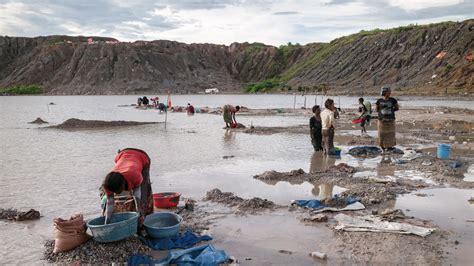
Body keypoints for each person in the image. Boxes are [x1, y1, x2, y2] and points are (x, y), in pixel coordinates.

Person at [101, 148, 153, 228]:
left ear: (123, 184)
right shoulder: (108, 183)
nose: (115, 194)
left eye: (118, 191)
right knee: (114, 199)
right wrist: (106, 223)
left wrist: (139, 212)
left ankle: (145, 217)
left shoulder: (135, 176)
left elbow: (137, 196)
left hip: (142, 156)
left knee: (144, 189)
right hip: (122, 154)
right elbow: (110, 202)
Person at [376, 86, 399, 153]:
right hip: (382, 121)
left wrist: (390, 110)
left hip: (390, 120)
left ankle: (390, 147)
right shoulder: (379, 101)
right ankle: (383, 148)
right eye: (388, 91)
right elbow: (377, 109)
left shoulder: (393, 100)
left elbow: (397, 108)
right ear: (385, 92)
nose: (390, 92)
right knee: (381, 134)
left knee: (390, 134)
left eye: (390, 91)